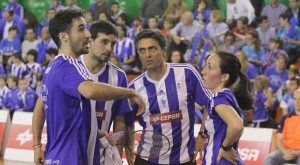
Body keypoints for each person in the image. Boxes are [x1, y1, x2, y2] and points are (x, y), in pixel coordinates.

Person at [32, 9, 145, 165]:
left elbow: (67, 116)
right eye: (81, 29)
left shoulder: (54, 68)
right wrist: (130, 92)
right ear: (63, 36)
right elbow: (90, 90)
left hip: (60, 155)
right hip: (71, 158)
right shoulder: (69, 65)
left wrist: (95, 132)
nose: (87, 34)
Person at [128, 29, 211, 165]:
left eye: (152, 49)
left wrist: (203, 134)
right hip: (147, 159)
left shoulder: (186, 73)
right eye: (142, 50)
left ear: (164, 51)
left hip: (184, 159)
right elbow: (127, 124)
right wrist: (129, 151)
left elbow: (210, 103)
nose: (147, 55)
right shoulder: (133, 88)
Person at [80, 20, 134, 165]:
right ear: (90, 41)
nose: (109, 48)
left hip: (102, 156)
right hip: (71, 150)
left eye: (113, 44)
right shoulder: (70, 68)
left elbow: (120, 122)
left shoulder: (119, 76)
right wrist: (37, 145)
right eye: (104, 42)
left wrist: (116, 153)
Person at [199, 51, 254, 164]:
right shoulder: (226, 96)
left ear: (224, 77)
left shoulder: (219, 99)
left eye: (209, 67)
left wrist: (226, 147)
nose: (203, 71)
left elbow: (237, 126)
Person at [264, 88, 300, 165]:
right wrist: (285, 152)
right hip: (286, 150)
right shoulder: (286, 117)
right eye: (295, 99)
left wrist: (297, 153)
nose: (297, 102)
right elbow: (279, 139)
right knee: (268, 159)